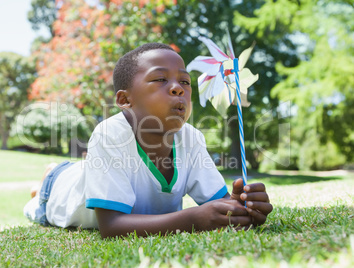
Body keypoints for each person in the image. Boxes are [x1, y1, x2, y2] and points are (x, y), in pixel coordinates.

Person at [24, 43, 273, 238]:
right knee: (44, 193)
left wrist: (242, 207)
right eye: (160, 79)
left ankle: (67, 170)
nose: (178, 89)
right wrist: (194, 219)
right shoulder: (108, 134)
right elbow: (112, 226)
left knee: (87, 170)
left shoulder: (192, 138)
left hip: (88, 173)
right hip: (57, 194)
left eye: (185, 82)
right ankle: (47, 179)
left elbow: (217, 205)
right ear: (124, 100)